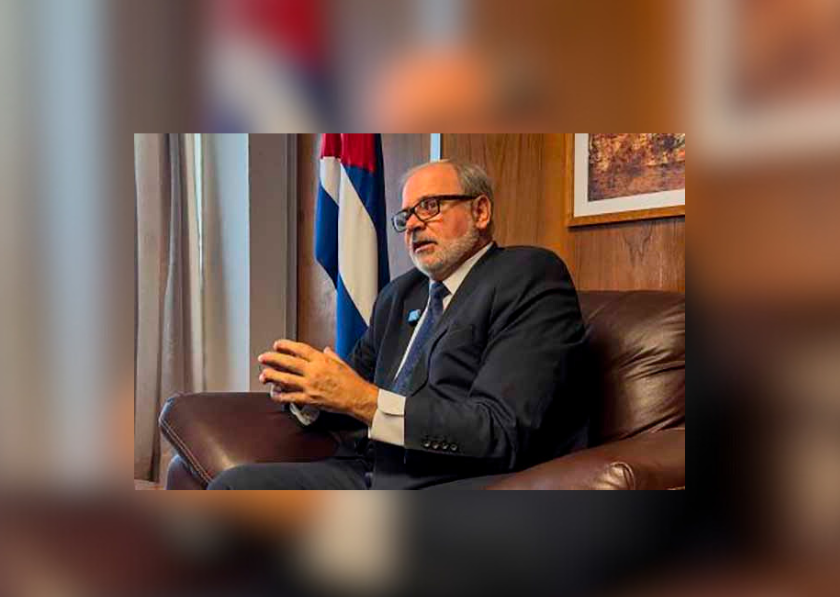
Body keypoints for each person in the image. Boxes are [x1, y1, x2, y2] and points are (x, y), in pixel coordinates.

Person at [209, 160, 590, 490]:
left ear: (480, 211)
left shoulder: (526, 276)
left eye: (430, 207)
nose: (413, 225)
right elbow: (350, 391)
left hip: (451, 481)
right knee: (234, 488)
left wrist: (363, 399)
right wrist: (307, 394)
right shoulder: (399, 295)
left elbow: (500, 429)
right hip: (367, 470)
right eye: (406, 216)